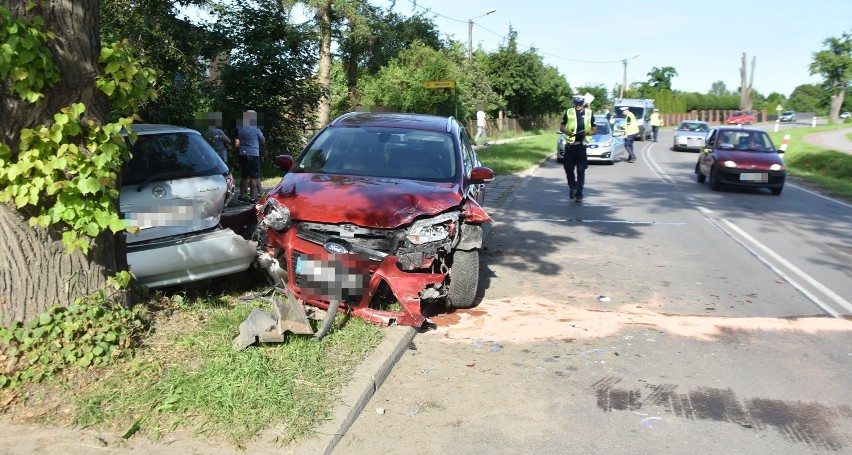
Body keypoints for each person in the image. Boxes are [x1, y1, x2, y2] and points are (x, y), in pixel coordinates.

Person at [560, 94, 597, 203]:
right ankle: (573, 186)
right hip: (570, 146)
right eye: (576, 104)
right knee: (568, 168)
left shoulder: (589, 113)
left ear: (584, 104)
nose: (577, 106)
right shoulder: (569, 112)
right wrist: (568, 132)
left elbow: (595, 130)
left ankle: (579, 194)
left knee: (581, 171)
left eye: (579, 104)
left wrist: (587, 132)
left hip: (581, 145)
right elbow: (561, 127)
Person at [234, 110, 265, 203]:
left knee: (244, 176)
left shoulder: (240, 128)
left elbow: (237, 143)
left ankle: (241, 196)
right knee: (254, 177)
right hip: (253, 154)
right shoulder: (255, 128)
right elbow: (263, 141)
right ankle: (252, 198)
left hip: (243, 153)